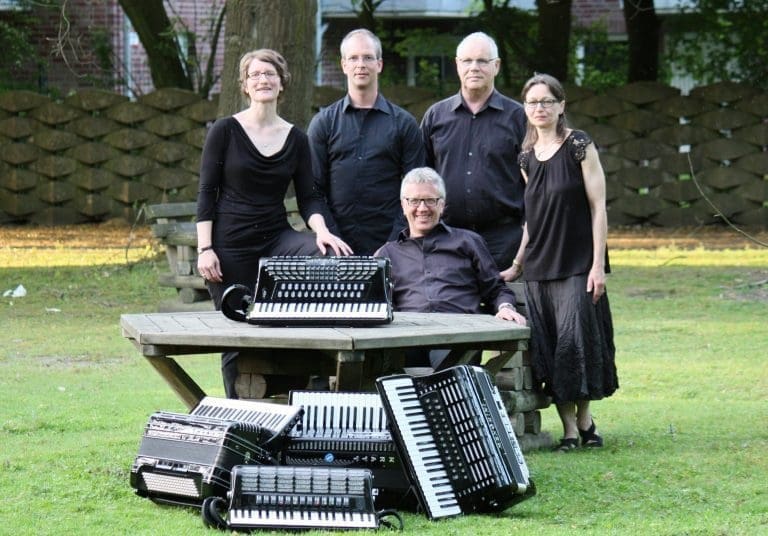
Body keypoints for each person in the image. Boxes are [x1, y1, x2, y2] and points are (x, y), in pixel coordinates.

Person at [196, 49, 352, 398]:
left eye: (270, 74)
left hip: (276, 240)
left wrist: (322, 231)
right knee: (239, 334)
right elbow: (206, 192)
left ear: (282, 84)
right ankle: (239, 418)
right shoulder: (225, 130)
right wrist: (205, 249)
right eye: (255, 75)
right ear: (245, 85)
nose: (263, 80)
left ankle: (296, 399)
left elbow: (309, 196)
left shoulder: (296, 138)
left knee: (324, 257)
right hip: (229, 245)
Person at [508, 73, 618, 451]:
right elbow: (532, 219)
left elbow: (598, 206)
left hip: (576, 263)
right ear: (525, 109)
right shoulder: (525, 158)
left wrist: (598, 265)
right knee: (551, 347)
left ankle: (586, 420)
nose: (540, 108)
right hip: (539, 267)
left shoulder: (579, 146)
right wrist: (517, 264)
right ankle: (570, 429)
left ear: (561, 106)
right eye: (532, 102)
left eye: (547, 101)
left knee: (576, 344)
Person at [375, 167, 527, 372]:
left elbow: (496, 289)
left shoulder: (468, 242)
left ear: (442, 205)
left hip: (458, 337)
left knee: (448, 374)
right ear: (403, 205)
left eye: (430, 200)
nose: (422, 208)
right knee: (384, 371)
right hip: (406, 338)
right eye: (414, 201)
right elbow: (378, 305)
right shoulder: (387, 254)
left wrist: (505, 307)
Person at [308, 28, 425, 256]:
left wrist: (395, 242)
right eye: (353, 58)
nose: (360, 64)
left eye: (368, 57)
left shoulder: (404, 124)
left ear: (379, 64)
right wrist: (332, 237)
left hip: (393, 244)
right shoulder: (323, 123)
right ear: (343, 65)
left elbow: (416, 190)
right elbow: (313, 190)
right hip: (335, 244)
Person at [420, 31, 527, 274]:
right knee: (449, 308)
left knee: (506, 308)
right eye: (467, 61)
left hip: (505, 240)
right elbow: (421, 177)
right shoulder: (435, 116)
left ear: (497, 66)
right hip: (447, 238)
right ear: (457, 65)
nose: (474, 67)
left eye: (482, 61)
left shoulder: (518, 118)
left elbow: (534, 182)